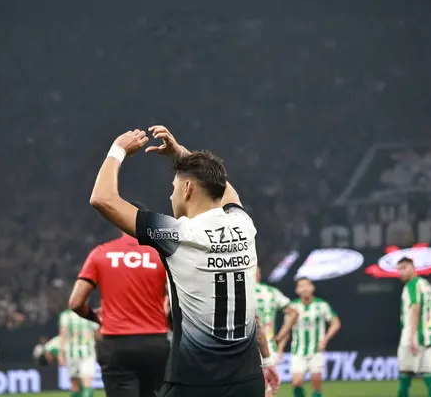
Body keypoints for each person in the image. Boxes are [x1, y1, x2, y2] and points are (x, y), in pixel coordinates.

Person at [88, 125, 279, 397]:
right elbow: (225, 191)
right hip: (247, 381)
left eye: (174, 187)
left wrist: (117, 149)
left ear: (188, 188)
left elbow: (102, 199)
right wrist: (181, 155)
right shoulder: (244, 224)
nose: (171, 195)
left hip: (194, 382)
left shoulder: (179, 234)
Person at [68, 203, 170, 397]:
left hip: (116, 345)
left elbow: (75, 302)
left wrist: (95, 317)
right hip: (155, 344)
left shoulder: (100, 253)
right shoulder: (161, 254)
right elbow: (179, 296)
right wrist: (168, 315)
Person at [396, 257, 431, 397]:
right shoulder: (426, 285)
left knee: (405, 373)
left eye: (404, 268)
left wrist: (411, 338)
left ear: (412, 267)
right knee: (429, 374)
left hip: (413, 337)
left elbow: (415, 308)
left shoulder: (411, 285)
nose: (400, 272)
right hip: (430, 338)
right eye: (399, 269)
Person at [289, 277, 341, 397]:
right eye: (301, 286)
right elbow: (287, 327)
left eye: (307, 285)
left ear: (312, 288)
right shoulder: (292, 307)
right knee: (296, 381)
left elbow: (335, 323)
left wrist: (325, 339)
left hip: (317, 349)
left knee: (316, 382)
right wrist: (280, 345)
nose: (305, 288)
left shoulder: (322, 305)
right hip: (298, 349)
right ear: (297, 290)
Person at [255, 267, 299, 397]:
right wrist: (280, 336)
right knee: (267, 390)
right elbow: (293, 312)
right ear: (259, 274)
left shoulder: (238, 290)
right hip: (268, 347)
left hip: (243, 348)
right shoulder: (271, 292)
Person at [58, 309, 99, 397]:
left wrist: (61, 353)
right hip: (76, 354)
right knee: (78, 384)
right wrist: (61, 353)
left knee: (83, 383)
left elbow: (62, 336)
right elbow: (98, 335)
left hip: (84, 354)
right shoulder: (67, 315)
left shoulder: (66, 315)